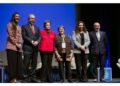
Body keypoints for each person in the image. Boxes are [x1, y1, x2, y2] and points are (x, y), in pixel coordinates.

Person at [22, 14, 40, 82]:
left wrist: (37, 42)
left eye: (34, 18)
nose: (33, 20)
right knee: (26, 63)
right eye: (31, 18)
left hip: (35, 48)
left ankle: (33, 77)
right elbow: (24, 36)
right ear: (28, 19)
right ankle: (25, 78)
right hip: (27, 48)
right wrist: (31, 41)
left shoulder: (37, 27)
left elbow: (39, 37)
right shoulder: (24, 26)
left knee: (34, 64)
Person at [6, 12, 23, 83]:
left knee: (18, 64)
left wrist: (20, 44)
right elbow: (10, 36)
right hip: (11, 47)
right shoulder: (9, 24)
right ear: (13, 17)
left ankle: (17, 78)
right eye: (16, 16)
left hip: (19, 48)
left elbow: (21, 37)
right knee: (12, 64)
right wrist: (16, 43)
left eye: (18, 16)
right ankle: (12, 79)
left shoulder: (19, 27)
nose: (17, 17)